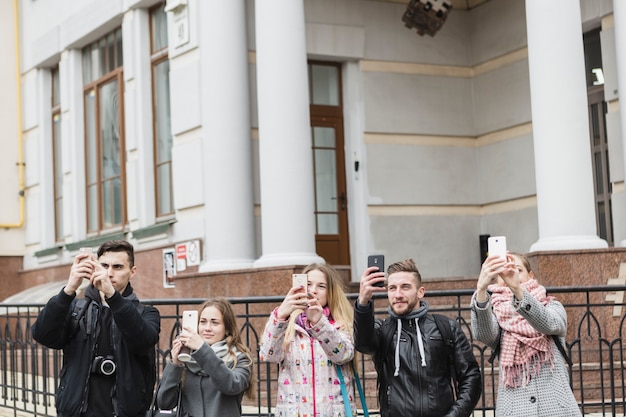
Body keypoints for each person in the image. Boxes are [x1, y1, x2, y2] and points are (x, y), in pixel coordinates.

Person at [31, 240, 161, 417]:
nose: (109, 273)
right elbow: (43, 335)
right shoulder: (77, 309)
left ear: (132, 272)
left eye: (117, 267)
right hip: (78, 412)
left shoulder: (146, 313)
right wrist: (69, 289)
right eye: (104, 265)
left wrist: (112, 296)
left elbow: (143, 340)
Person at [354, 258, 481, 417]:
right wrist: (363, 303)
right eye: (392, 288)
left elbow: (471, 377)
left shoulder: (446, 327)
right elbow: (363, 344)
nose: (398, 294)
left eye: (405, 287)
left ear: (420, 292)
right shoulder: (382, 330)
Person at [471, 252, 581, 416]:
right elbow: (483, 334)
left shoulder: (552, 305)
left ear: (530, 275)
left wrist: (517, 289)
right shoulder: (495, 313)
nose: (510, 274)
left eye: (517, 270)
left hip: (557, 410)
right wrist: (481, 290)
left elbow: (549, 323)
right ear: (496, 280)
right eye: (503, 271)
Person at [259, 263, 356, 417]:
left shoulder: (340, 325)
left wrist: (319, 323)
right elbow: (268, 355)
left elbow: (343, 355)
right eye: (308, 284)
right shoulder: (288, 325)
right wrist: (281, 316)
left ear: (331, 292)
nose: (313, 291)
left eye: (321, 286)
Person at [157, 298, 254, 417]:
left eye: (215, 323)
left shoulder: (239, 358)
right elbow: (164, 403)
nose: (207, 328)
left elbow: (230, 386)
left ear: (227, 328)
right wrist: (175, 365)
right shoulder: (186, 357)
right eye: (203, 322)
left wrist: (201, 349)